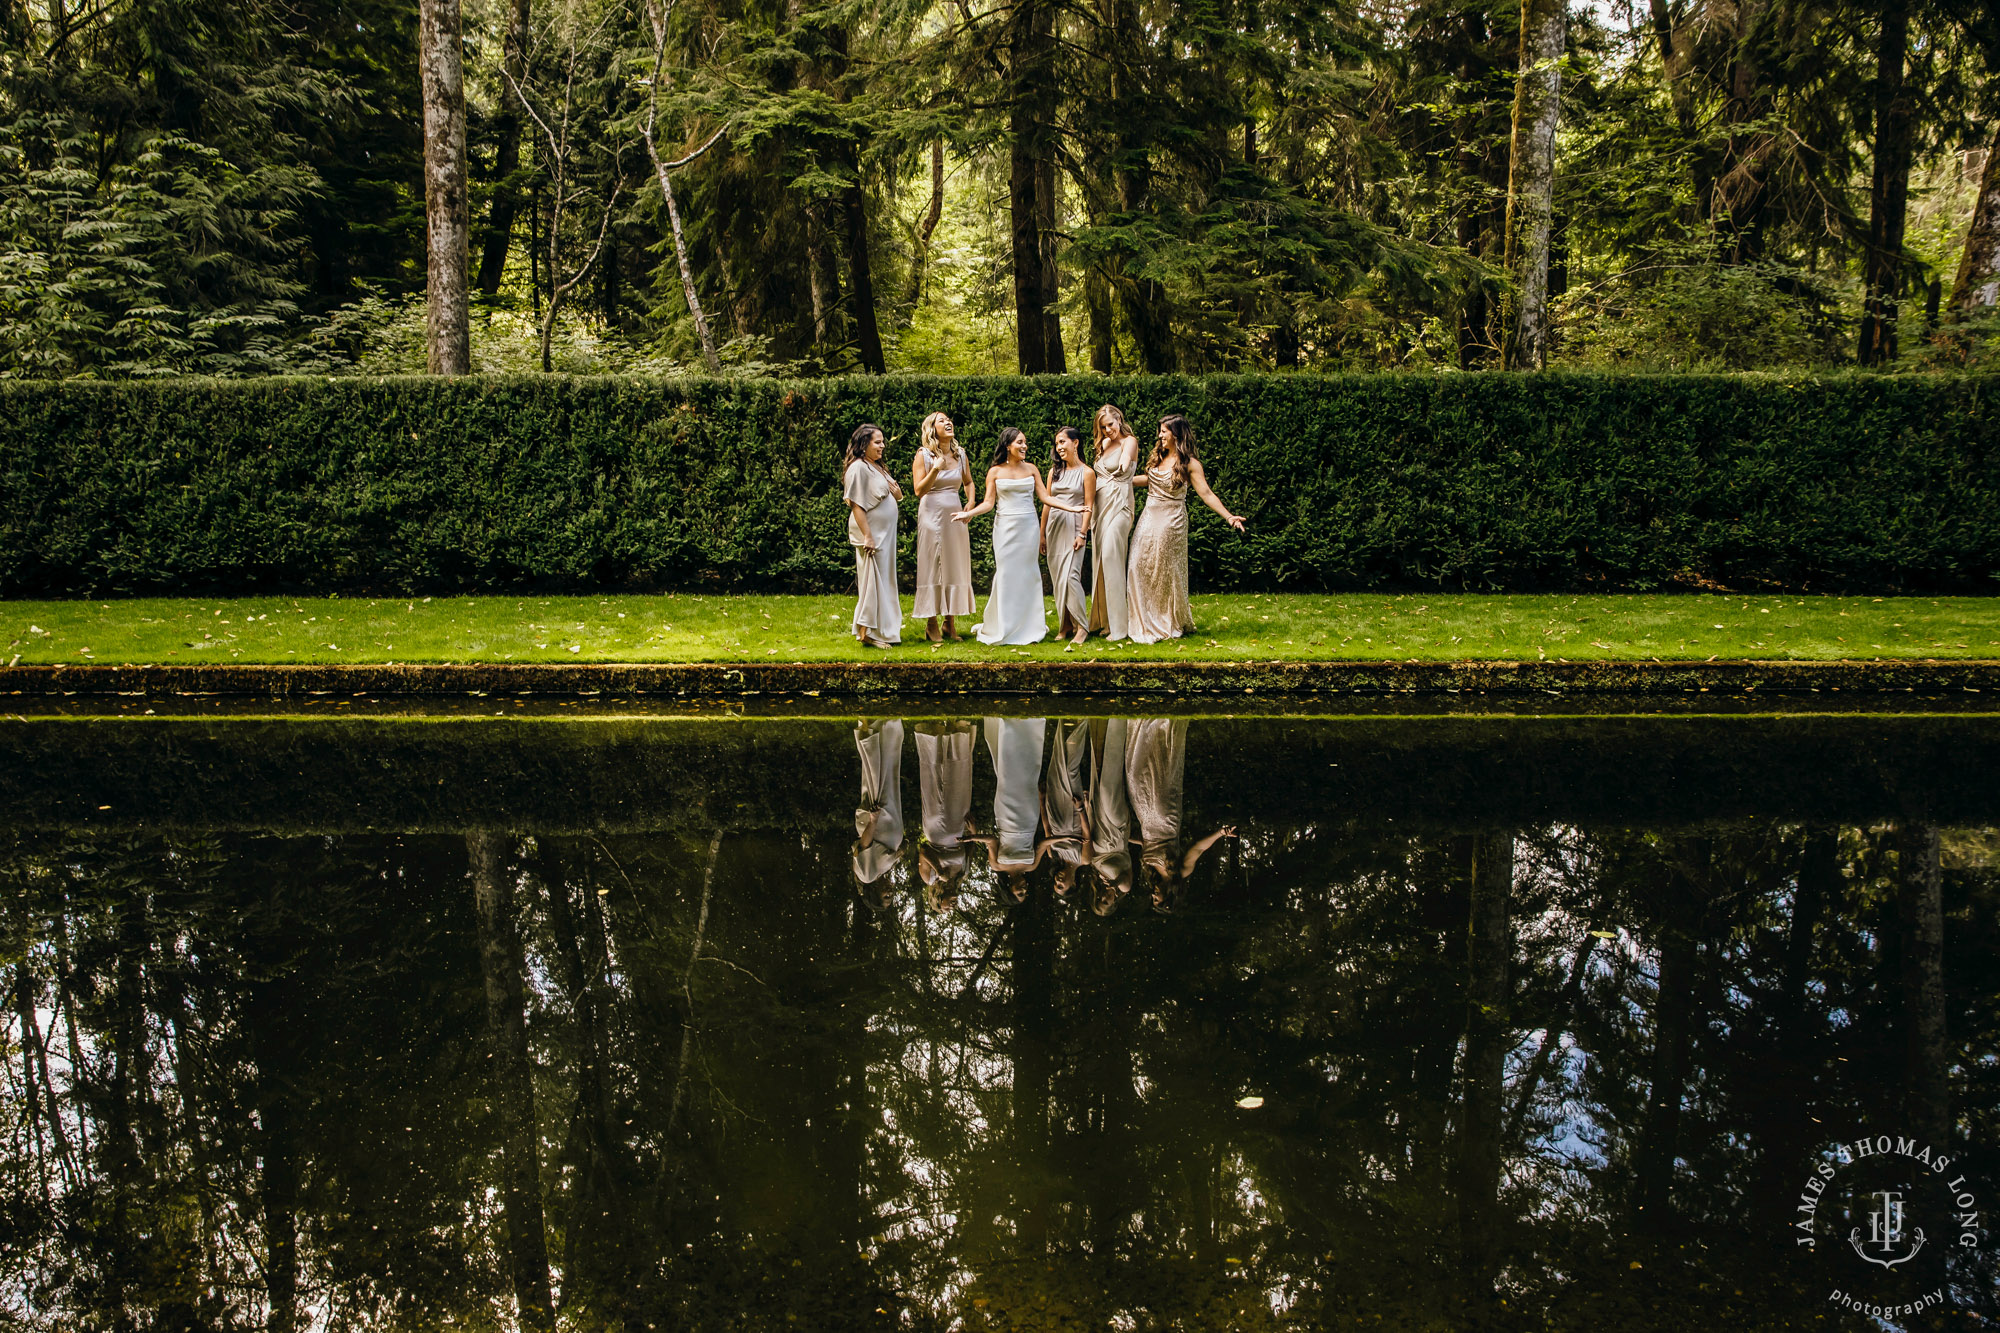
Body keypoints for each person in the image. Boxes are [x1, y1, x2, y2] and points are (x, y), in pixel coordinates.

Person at [953, 427, 1082, 646]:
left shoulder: (1032, 469)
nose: (1024, 446)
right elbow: (988, 503)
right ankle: (1003, 625)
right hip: (1005, 528)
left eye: (1025, 442)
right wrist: (969, 513)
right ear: (1008, 446)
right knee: (1006, 573)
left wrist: (1072, 508)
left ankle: (1030, 625)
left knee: (1028, 573)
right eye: (1020, 443)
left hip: (1028, 528)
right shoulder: (994, 472)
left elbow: (1045, 497)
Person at [1126, 414, 1246, 646]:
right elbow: (1151, 480)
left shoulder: (1190, 464)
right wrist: (1121, 479)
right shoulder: (1158, 456)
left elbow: (1207, 494)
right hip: (1149, 515)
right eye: (1160, 431)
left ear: (1176, 434)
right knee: (1137, 564)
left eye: (1164, 431)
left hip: (1172, 519)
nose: (1160, 435)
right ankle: (1143, 618)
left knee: (1165, 571)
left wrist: (1229, 516)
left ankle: (1165, 620)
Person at [1124, 717, 1235, 912]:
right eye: (1157, 900)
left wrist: (1125, 839)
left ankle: (1142, 723)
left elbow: (1146, 844)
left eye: (1153, 899)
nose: (1153, 895)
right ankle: (1163, 722)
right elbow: (1197, 849)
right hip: (1164, 820)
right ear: (1168, 897)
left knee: (1135, 777)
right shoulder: (1182, 871)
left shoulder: (1152, 874)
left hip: (1146, 822)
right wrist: (1220, 834)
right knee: (1158, 775)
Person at [912, 411, 976, 642]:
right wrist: (936, 469)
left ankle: (950, 623)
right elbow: (919, 490)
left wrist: (970, 503)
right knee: (933, 564)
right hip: (931, 514)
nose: (948, 422)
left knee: (954, 564)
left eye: (949, 420)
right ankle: (931, 625)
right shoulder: (924, 455)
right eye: (942, 420)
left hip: (955, 515)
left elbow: (968, 482)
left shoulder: (961, 454)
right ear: (932, 428)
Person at [842, 423, 903, 648]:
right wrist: (867, 536)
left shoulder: (876, 466)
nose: (882, 446)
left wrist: (898, 495)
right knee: (871, 581)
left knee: (883, 581)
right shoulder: (858, 468)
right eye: (877, 442)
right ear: (863, 444)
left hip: (885, 534)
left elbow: (893, 493)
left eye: (882, 441)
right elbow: (856, 504)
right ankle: (867, 632)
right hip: (872, 534)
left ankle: (883, 630)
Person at [1086, 405, 1139, 641]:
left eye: (1110, 424)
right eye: (1103, 427)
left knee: (1110, 556)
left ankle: (1120, 627)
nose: (1108, 430)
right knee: (1100, 562)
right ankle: (1105, 622)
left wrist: (1124, 466)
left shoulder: (1130, 441)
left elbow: (1127, 459)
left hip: (1120, 504)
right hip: (1100, 507)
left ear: (1119, 419)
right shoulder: (1105, 445)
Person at [1042, 427, 1096, 646]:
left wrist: (1083, 534)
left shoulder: (1087, 473)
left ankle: (1082, 626)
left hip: (1074, 527)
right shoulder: (1053, 472)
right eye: (1057, 444)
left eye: (1063, 442)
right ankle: (1065, 624)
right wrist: (1041, 534)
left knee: (1071, 576)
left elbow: (1089, 506)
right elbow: (1046, 503)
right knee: (1058, 580)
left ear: (1076, 443)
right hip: (1054, 527)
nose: (1059, 447)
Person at [915, 719, 975, 910]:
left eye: (946, 909)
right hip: (958, 826)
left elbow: (923, 851)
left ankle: (931, 733)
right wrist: (974, 832)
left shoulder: (929, 879)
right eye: (954, 909)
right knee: (959, 780)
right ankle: (958, 732)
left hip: (936, 830)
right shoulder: (962, 874)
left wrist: (939, 869)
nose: (953, 907)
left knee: (933, 781)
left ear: (936, 901)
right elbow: (970, 848)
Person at [852, 718, 906, 907]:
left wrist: (873, 820)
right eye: (891, 896)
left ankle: (877, 725)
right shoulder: (879, 873)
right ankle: (885, 726)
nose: (890, 893)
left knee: (878, 773)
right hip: (888, 816)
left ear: (874, 894)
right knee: (886, 773)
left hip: (878, 818)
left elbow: (864, 846)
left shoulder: (867, 876)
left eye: (886, 897)